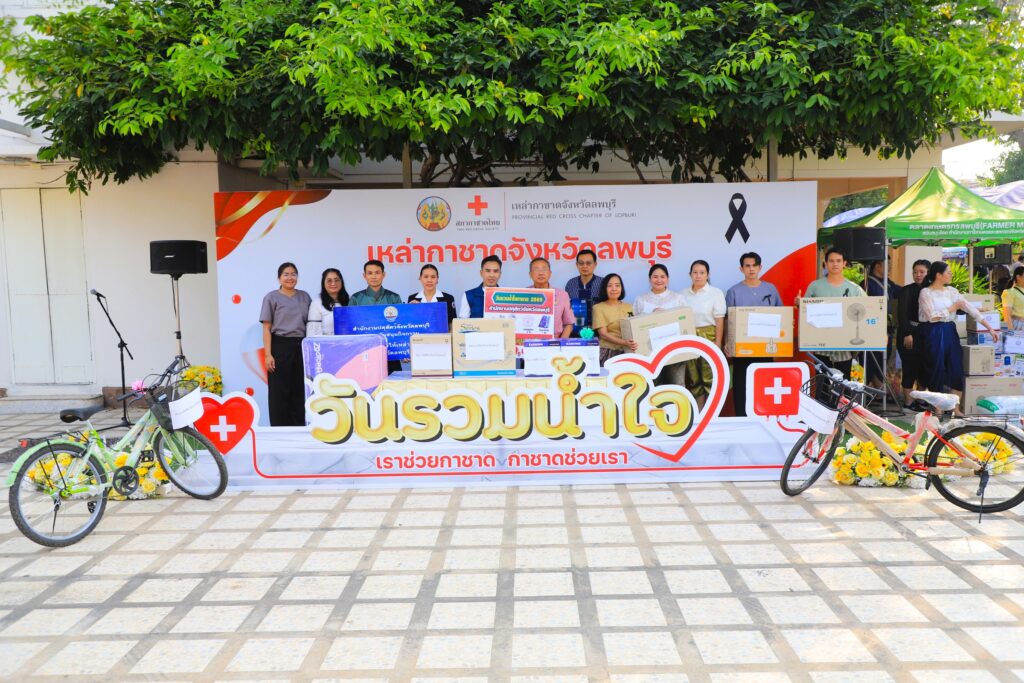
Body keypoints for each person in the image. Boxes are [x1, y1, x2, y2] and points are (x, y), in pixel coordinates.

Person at [919, 261, 999, 412]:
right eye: (948, 272)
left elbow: (969, 308)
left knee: (956, 367)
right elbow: (931, 316)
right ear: (938, 275)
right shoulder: (926, 292)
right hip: (932, 332)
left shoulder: (952, 291)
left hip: (949, 330)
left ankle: (955, 408)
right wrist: (952, 308)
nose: (951, 274)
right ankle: (938, 409)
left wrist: (990, 328)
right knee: (936, 369)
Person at [725, 252, 782, 416]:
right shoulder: (733, 291)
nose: (751, 269)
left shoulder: (770, 289)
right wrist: (728, 342)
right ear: (741, 269)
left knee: (764, 383)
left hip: (766, 346)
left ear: (760, 267)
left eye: (754, 265)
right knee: (741, 383)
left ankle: (764, 416)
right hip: (742, 347)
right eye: (747, 266)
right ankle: (742, 417)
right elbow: (729, 319)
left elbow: (781, 315)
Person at [798, 247, 865, 379]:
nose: (835, 264)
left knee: (843, 387)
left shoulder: (854, 289)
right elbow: (805, 313)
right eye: (831, 261)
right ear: (826, 263)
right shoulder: (815, 287)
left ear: (844, 263)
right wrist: (800, 304)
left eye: (838, 261)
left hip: (844, 347)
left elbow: (867, 311)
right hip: (821, 346)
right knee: (822, 385)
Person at [260, 262, 311, 427]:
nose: (290, 277)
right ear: (279, 278)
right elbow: (266, 328)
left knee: (299, 390)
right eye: (286, 274)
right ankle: (279, 429)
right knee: (279, 391)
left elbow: (310, 323)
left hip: (301, 346)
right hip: (280, 345)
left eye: (293, 274)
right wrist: (268, 354)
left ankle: (299, 429)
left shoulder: (305, 297)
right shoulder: (271, 297)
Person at [680, 260, 726, 409]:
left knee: (710, 376)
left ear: (708, 275)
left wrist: (717, 343)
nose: (698, 276)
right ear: (690, 275)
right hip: (689, 337)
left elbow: (719, 319)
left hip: (709, 336)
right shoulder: (682, 294)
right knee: (693, 378)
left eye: (702, 273)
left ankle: (713, 412)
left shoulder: (715, 293)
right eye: (695, 272)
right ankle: (699, 413)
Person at [634, 263, 688, 385]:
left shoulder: (678, 298)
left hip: (674, 351)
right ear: (649, 279)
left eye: (662, 277)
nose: (659, 280)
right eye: (655, 277)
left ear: (667, 279)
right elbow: (636, 325)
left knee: (677, 385)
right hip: (650, 353)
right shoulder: (641, 300)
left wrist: (666, 317)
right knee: (654, 386)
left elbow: (685, 322)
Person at [350, 259, 402, 374]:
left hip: (390, 352)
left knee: (392, 383)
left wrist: (403, 350)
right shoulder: (356, 298)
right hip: (364, 352)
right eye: (370, 273)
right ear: (364, 276)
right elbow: (351, 327)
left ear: (383, 275)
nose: (374, 276)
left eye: (377, 273)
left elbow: (400, 326)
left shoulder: (394, 297)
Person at [896, 259, 930, 409]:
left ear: (929, 273)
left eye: (922, 272)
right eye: (915, 272)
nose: (918, 275)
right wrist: (907, 333)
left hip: (926, 334)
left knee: (925, 368)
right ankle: (908, 402)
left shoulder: (932, 290)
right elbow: (902, 314)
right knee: (909, 367)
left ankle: (921, 400)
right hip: (909, 332)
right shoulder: (906, 290)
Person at [864, 260, 902, 389]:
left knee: (882, 359)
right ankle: (873, 389)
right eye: (888, 265)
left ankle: (878, 390)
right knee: (873, 360)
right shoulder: (867, 283)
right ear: (877, 266)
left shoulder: (888, 283)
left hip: (887, 328)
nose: (890, 268)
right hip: (873, 329)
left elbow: (901, 292)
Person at [591, 273, 637, 365]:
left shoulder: (629, 307)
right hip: (608, 352)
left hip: (628, 351)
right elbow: (603, 334)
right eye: (610, 286)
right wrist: (624, 342)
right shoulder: (598, 308)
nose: (614, 289)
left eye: (617, 285)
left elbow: (635, 328)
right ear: (604, 288)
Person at [528, 257, 574, 338]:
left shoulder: (562, 295)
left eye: (544, 269)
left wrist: (561, 342)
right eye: (536, 269)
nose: (541, 273)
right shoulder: (524, 294)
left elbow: (569, 323)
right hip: (529, 341)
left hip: (555, 340)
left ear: (550, 273)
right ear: (530, 274)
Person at [565, 249, 604, 333]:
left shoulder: (603, 283)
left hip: (598, 331)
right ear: (577, 265)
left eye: (588, 263)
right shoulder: (570, 284)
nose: (584, 266)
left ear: (595, 264)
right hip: (574, 331)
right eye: (581, 263)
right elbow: (566, 309)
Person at [306, 268, 349, 336]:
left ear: (341, 282)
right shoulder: (317, 303)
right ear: (323, 283)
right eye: (329, 281)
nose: (333, 283)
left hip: (348, 342)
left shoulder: (351, 301)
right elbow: (312, 333)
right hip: (326, 342)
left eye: (336, 280)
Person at [1002, 265, 1024, 331]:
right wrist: (1011, 332)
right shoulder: (1009, 292)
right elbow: (1007, 314)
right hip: (1018, 326)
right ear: (1018, 277)